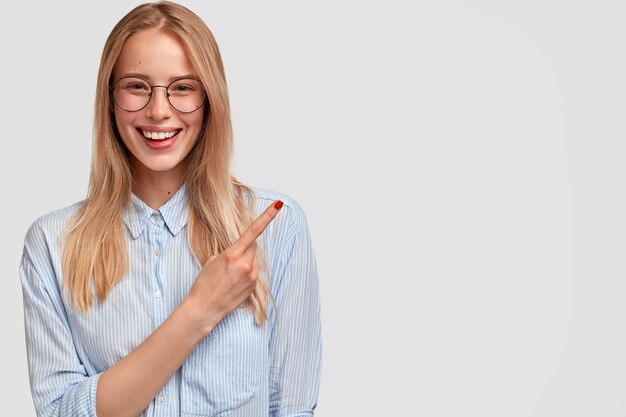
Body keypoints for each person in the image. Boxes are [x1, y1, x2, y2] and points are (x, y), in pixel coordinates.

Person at [19, 2, 322, 416]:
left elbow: (292, 407)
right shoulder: (52, 244)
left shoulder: (277, 227)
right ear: (109, 99)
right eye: (137, 86)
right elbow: (59, 412)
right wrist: (199, 311)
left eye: (182, 87)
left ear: (209, 99)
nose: (159, 110)